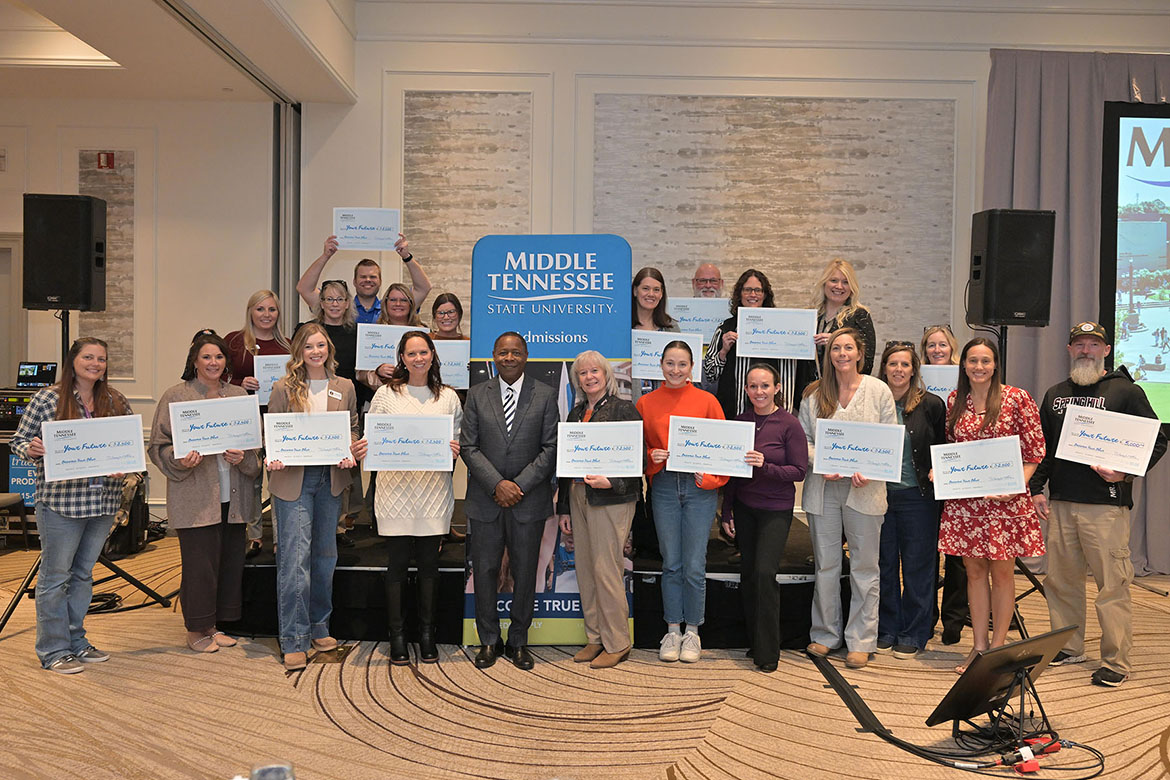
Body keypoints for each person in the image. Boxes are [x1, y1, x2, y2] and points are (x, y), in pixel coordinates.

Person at [1029, 321, 1167, 688]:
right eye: (1080, 344)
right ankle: (1068, 645)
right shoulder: (1055, 394)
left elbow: (1156, 440)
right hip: (1061, 503)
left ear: (1106, 350)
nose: (1086, 350)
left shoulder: (1126, 392)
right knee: (1060, 582)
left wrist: (1124, 473)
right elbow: (1044, 447)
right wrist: (1037, 488)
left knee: (1112, 586)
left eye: (1093, 344)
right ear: (1069, 350)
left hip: (1105, 506)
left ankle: (1116, 661)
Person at [10, 337, 133, 674]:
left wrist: (125, 464)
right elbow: (19, 441)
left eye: (101, 359)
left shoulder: (115, 399)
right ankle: (53, 650)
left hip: (102, 501)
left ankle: (76, 641)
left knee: (82, 575)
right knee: (55, 578)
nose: (95, 364)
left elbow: (127, 445)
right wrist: (31, 449)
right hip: (61, 503)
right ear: (73, 361)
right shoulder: (47, 398)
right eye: (88, 357)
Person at [149, 333, 262, 653]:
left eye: (219, 357)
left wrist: (244, 458)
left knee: (228, 562)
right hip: (196, 495)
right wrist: (180, 460)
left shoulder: (238, 395)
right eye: (207, 357)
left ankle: (213, 625)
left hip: (234, 496)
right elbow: (157, 446)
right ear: (194, 361)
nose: (214, 363)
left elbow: (256, 448)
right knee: (200, 565)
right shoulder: (176, 396)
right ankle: (195, 628)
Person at [938, 337, 1045, 675]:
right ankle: (979, 646)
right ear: (964, 364)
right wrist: (942, 471)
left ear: (996, 364)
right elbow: (953, 450)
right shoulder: (955, 400)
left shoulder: (1017, 398)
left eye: (985, 361)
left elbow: (1034, 451)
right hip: (966, 504)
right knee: (973, 573)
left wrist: (1015, 485)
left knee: (1001, 574)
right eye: (973, 360)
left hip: (1005, 505)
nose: (979, 367)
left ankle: (998, 648)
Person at [266, 323, 365, 671]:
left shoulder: (344, 386)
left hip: (331, 479)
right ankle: (294, 638)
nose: (316, 351)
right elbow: (273, 431)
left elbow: (352, 427)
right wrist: (274, 455)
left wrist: (350, 448)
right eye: (308, 346)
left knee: (325, 556)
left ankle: (319, 626)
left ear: (329, 349)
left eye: (321, 345)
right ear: (299, 351)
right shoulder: (283, 387)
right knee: (295, 559)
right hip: (294, 478)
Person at [461, 332, 559, 671]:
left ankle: (518, 641)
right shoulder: (477, 395)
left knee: (525, 572)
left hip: (528, 501)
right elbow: (468, 447)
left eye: (516, 352)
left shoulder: (545, 395)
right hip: (486, 500)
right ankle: (489, 640)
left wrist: (518, 486)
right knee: (486, 571)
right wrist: (497, 484)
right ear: (494, 355)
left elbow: (551, 448)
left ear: (526, 355)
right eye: (503, 352)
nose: (509, 358)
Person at [799, 328, 896, 670]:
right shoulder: (813, 394)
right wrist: (822, 463)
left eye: (848, 348)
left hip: (865, 490)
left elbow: (889, 442)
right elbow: (803, 441)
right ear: (829, 355)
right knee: (826, 565)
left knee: (865, 567)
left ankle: (861, 640)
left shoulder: (878, 391)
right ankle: (826, 634)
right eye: (836, 348)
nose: (842, 353)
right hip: (823, 489)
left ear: (860, 354)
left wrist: (870, 468)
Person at [368, 330, 462, 666]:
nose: (418, 358)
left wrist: (454, 449)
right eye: (411, 353)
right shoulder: (385, 394)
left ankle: (426, 634)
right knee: (395, 566)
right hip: (394, 493)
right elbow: (373, 439)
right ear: (402, 359)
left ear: (433, 354)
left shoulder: (448, 397)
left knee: (429, 567)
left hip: (434, 494)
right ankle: (397, 636)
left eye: (423, 352)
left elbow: (456, 438)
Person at [637, 341, 729, 663]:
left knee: (694, 564)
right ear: (660, 364)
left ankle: (693, 631)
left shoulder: (707, 401)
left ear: (692, 367)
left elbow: (725, 449)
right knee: (671, 563)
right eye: (670, 363)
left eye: (682, 364)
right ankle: (672, 629)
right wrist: (651, 456)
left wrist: (713, 480)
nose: (675, 370)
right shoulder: (646, 403)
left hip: (698, 488)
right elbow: (637, 450)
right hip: (663, 485)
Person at [556, 351, 643, 669]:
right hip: (578, 495)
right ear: (577, 380)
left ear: (606, 375)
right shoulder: (576, 413)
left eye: (595, 371)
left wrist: (612, 482)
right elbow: (565, 462)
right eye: (582, 373)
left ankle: (617, 642)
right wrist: (564, 507)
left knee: (606, 570)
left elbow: (639, 460)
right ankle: (595, 637)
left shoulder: (624, 410)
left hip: (611, 499)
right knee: (586, 568)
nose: (589, 377)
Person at [720, 364, 807, 673]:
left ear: (777, 388)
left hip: (776, 510)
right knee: (748, 575)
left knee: (765, 573)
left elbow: (799, 471)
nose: (759, 391)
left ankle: (769, 652)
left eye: (765, 386)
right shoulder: (739, 422)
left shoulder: (789, 424)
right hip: (745, 507)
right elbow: (733, 473)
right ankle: (755, 641)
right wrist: (727, 511)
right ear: (746, 390)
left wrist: (765, 466)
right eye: (753, 386)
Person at [875, 342, 945, 660]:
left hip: (918, 497)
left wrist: (937, 469)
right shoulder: (874, 402)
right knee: (885, 564)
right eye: (893, 364)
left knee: (918, 566)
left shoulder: (931, 404)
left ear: (914, 370)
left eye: (905, 364)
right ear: (884, 368)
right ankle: (887, 627)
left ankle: (915, 631)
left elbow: (943, 445)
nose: (899, 370)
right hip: (879, 495)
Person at [224, 290, 291, 557]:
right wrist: (240, 383)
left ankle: (280, 538)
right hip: (246, 421)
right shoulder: (234, 342)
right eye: (260, 309)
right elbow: (218, 379)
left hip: (278, 421)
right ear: (250, 311)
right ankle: (254, 536)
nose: (266, 314)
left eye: (272, 309)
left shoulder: (288, 346)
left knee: (279, 481)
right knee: (250, 480)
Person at [298, 279, 362, 548]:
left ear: (347, 303)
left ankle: (338, 527)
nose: (334, 304)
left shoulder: (359, 333)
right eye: (329, 299)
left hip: (344, 404)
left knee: (339, 478)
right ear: (320, 303)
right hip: (308, 418)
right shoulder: (307, 331)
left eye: (340, 299)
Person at [921, 324, 966, 644]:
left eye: (942, 345)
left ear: (953, 348)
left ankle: (954, 619)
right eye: (931, 345)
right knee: (926, 552)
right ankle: (927, 616)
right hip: (927, 475)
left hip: (959, 472)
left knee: (957, 556)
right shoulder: (916, 382)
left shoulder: (966, 381)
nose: (937, 350)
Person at [703, 269, 797, 417]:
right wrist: (723, 352)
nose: (753, 294)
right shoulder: (725, 328)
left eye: (758, 290)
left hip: (774, 418)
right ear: (740, 294)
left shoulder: (782, 328)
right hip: (733, 415)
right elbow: (710, 374)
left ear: (765, 295)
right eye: (747, 290)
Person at [296, 233, 431, 323]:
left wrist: (407, 257)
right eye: (363, 277)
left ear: (380, 281)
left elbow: (424, 288)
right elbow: (304, 289)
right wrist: (326, 256)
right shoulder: (339, 306)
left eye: (373, 277)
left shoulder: (393, 307)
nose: (368, 280)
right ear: (354, 281)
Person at [811, 259, 876, 377]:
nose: (839, 286)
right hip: (808, 385)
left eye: (845, 282)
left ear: (852, 287)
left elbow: (867, 363)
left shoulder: (860, 316)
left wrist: (836, 342)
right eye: (834, 280)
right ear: (824, 283)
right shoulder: (811, 315)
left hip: (842, 385)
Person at [631, 267, 680, 400]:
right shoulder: (622, 328)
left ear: (662, 294)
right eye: (645, 288)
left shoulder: (671, 327)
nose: (651, 294)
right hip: (629, 402)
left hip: (665, 402)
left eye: (656, 290)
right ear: (635, 291)